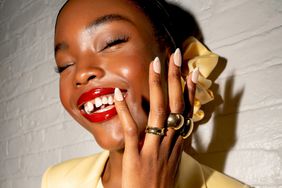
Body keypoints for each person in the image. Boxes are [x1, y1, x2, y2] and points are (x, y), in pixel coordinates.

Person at [41, 0, 250, 187]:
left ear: (172, 63)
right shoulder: (56, 180)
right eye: (65, 65)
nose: (82, 73)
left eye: (112, 42)